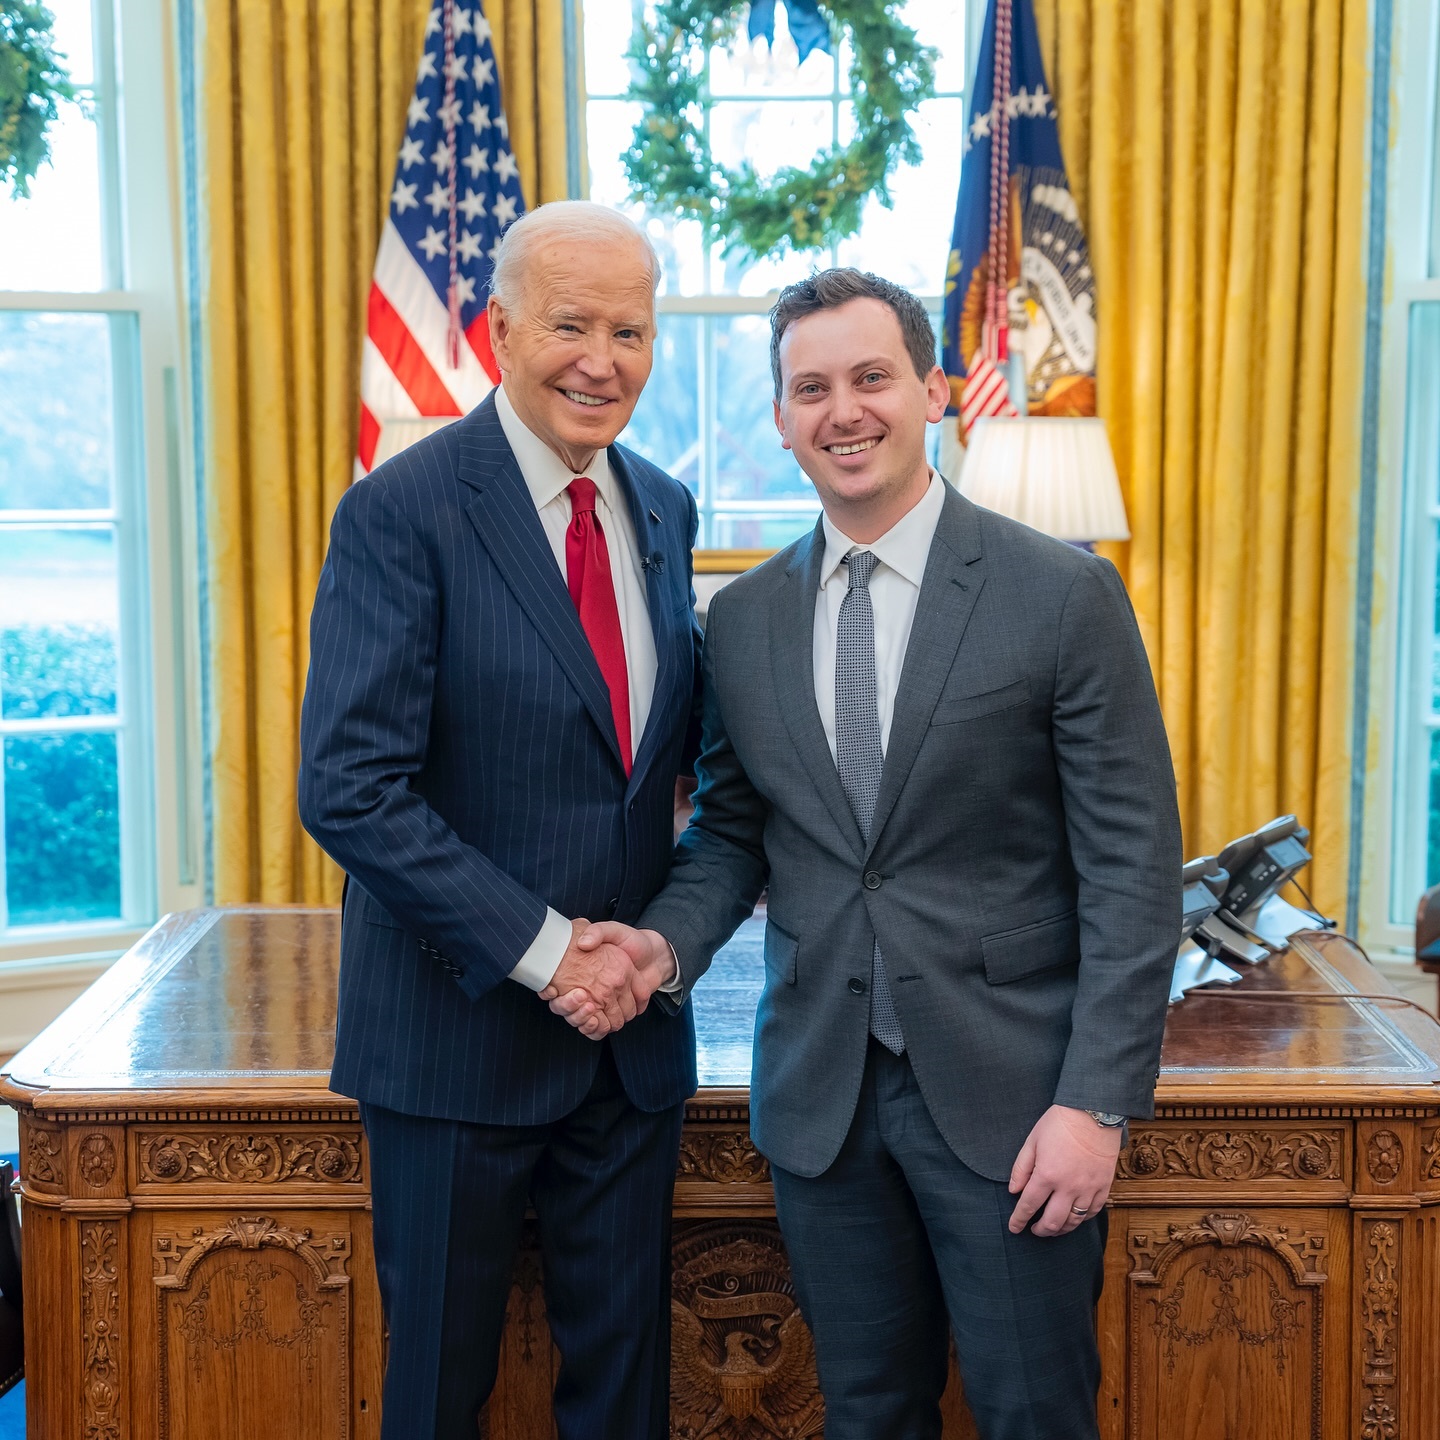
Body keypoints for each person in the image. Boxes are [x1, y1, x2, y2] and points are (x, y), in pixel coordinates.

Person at [558, 268, 1182, 1440]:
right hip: (822, 1106)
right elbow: (737, 833)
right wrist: (658, 945)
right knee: (864, 1414)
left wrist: (1096, 1103)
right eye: (810, 389)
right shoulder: (739, 621)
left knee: (1034, 1415)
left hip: (1016, 1107)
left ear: (932, 390)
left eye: (870, 378)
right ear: (782, 421)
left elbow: (1134, 870)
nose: (843, 411)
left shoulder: (1063, 595)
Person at [298, 200, 694, 1440]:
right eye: (570, 325)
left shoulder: (665, 509)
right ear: (496, 331)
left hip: (627, 1053)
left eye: (629, 331)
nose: (601, 358)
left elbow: (658, 768)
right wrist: (546, 950)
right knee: (435, 1395)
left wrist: (635, 957)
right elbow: (349, 784)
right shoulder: (402, 511)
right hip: (454, 1041)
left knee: (625, 1394)